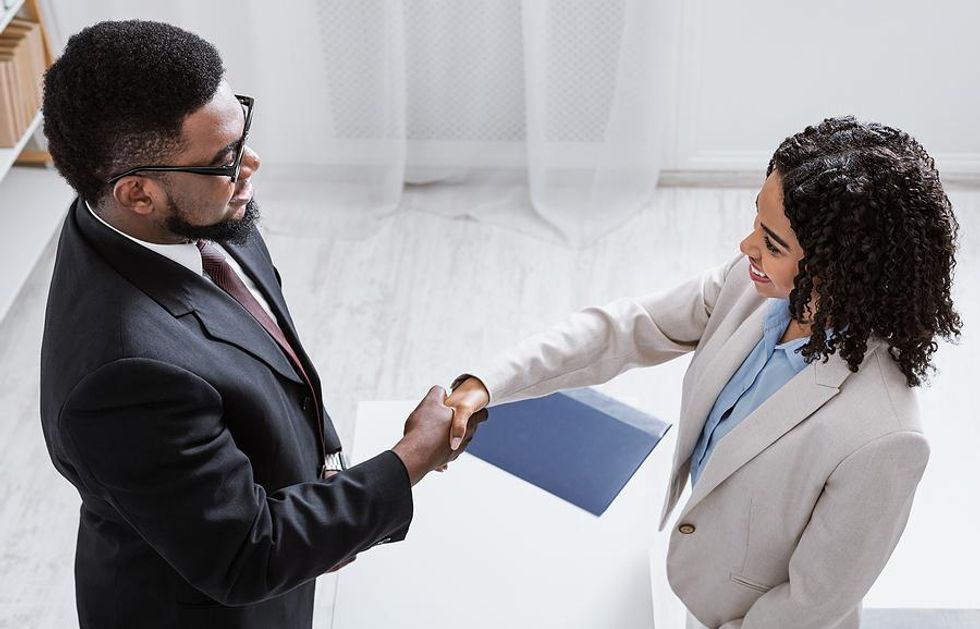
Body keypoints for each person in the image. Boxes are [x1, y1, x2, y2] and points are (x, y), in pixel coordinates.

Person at [38, 20, 482, 629]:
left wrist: (328, 480)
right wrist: (413, 458)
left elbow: (270, 352)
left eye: (242, 126)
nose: (251, 162)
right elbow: (249, 556)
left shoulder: (190, 214)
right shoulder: (123, 378)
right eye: (224, 159)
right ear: (137, 193)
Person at [445, 116, 961, 628]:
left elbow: (813, 604)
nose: (746, 247)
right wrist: (487, 384)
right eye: (757, 223)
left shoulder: (886, 438)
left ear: (841, 268)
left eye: (773, 243)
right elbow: (626, 329)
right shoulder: (749, 286)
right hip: (700, 586)